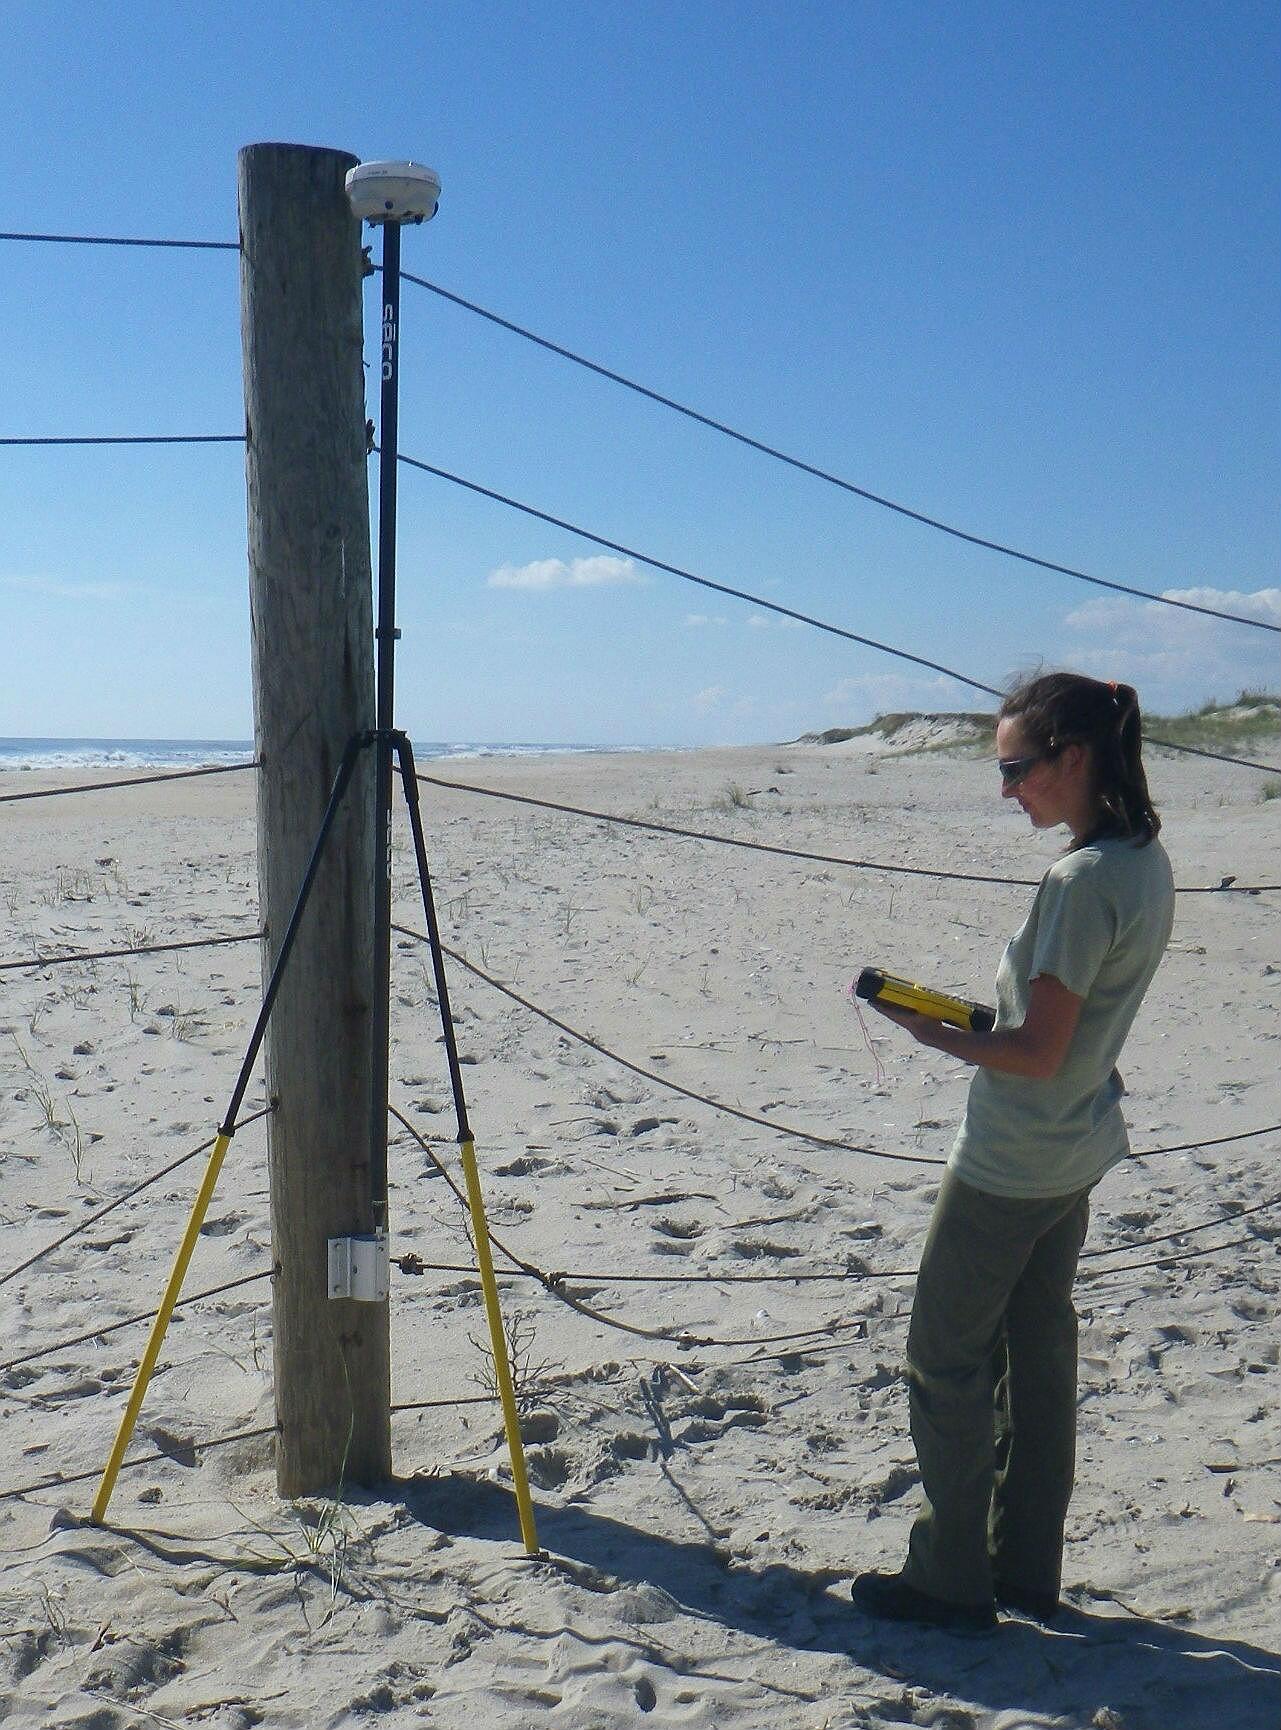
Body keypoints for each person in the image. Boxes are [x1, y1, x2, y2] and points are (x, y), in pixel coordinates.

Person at [851, 671, 1174, 1633]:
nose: (1007, 790)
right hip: (1075, 1143)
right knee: (1036, 1353)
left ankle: (950, 1581)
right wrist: (985, 1024)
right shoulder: (1140, 857)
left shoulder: (1081, 881)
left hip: (1013, 1157)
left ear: (1074, 758)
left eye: (1017, 769)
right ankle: (1025, 1567)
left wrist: (935, 1034)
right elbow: (1061, 1030)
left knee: (943, 1359)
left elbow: (1033, 1053)